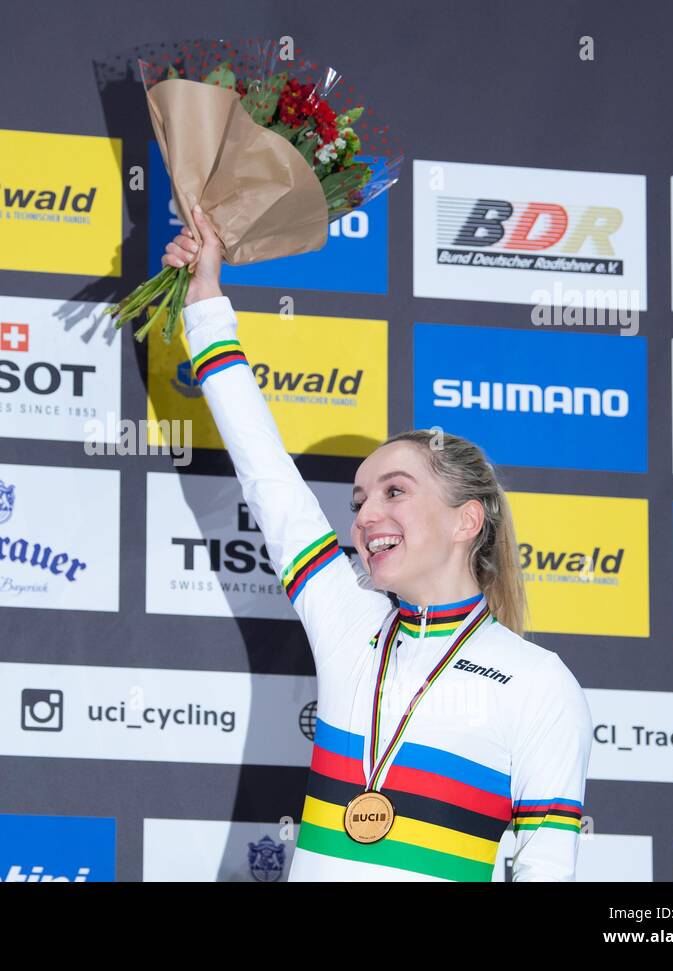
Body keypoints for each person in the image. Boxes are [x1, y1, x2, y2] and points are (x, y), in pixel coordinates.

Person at [163, 206, 593, 882]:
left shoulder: (539, 684)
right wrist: (205, 300)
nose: (365, 516)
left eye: (395, 491)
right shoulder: (349, 617)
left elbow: (547, 868)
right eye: (359, 499)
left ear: (465, 520)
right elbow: (267, 472)